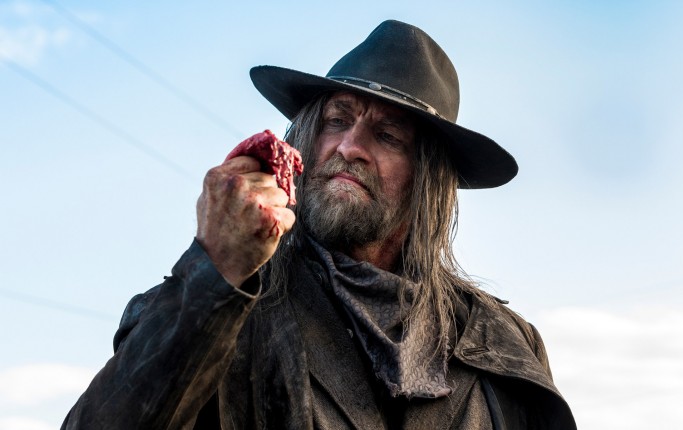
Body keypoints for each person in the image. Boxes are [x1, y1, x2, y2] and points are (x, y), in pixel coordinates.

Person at [62, 20, 576, 429]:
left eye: (388, 135)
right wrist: (214, 270)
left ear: (429, 182)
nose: (350, 147)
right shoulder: (223, 307)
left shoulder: (504, 347)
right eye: (337, 120)